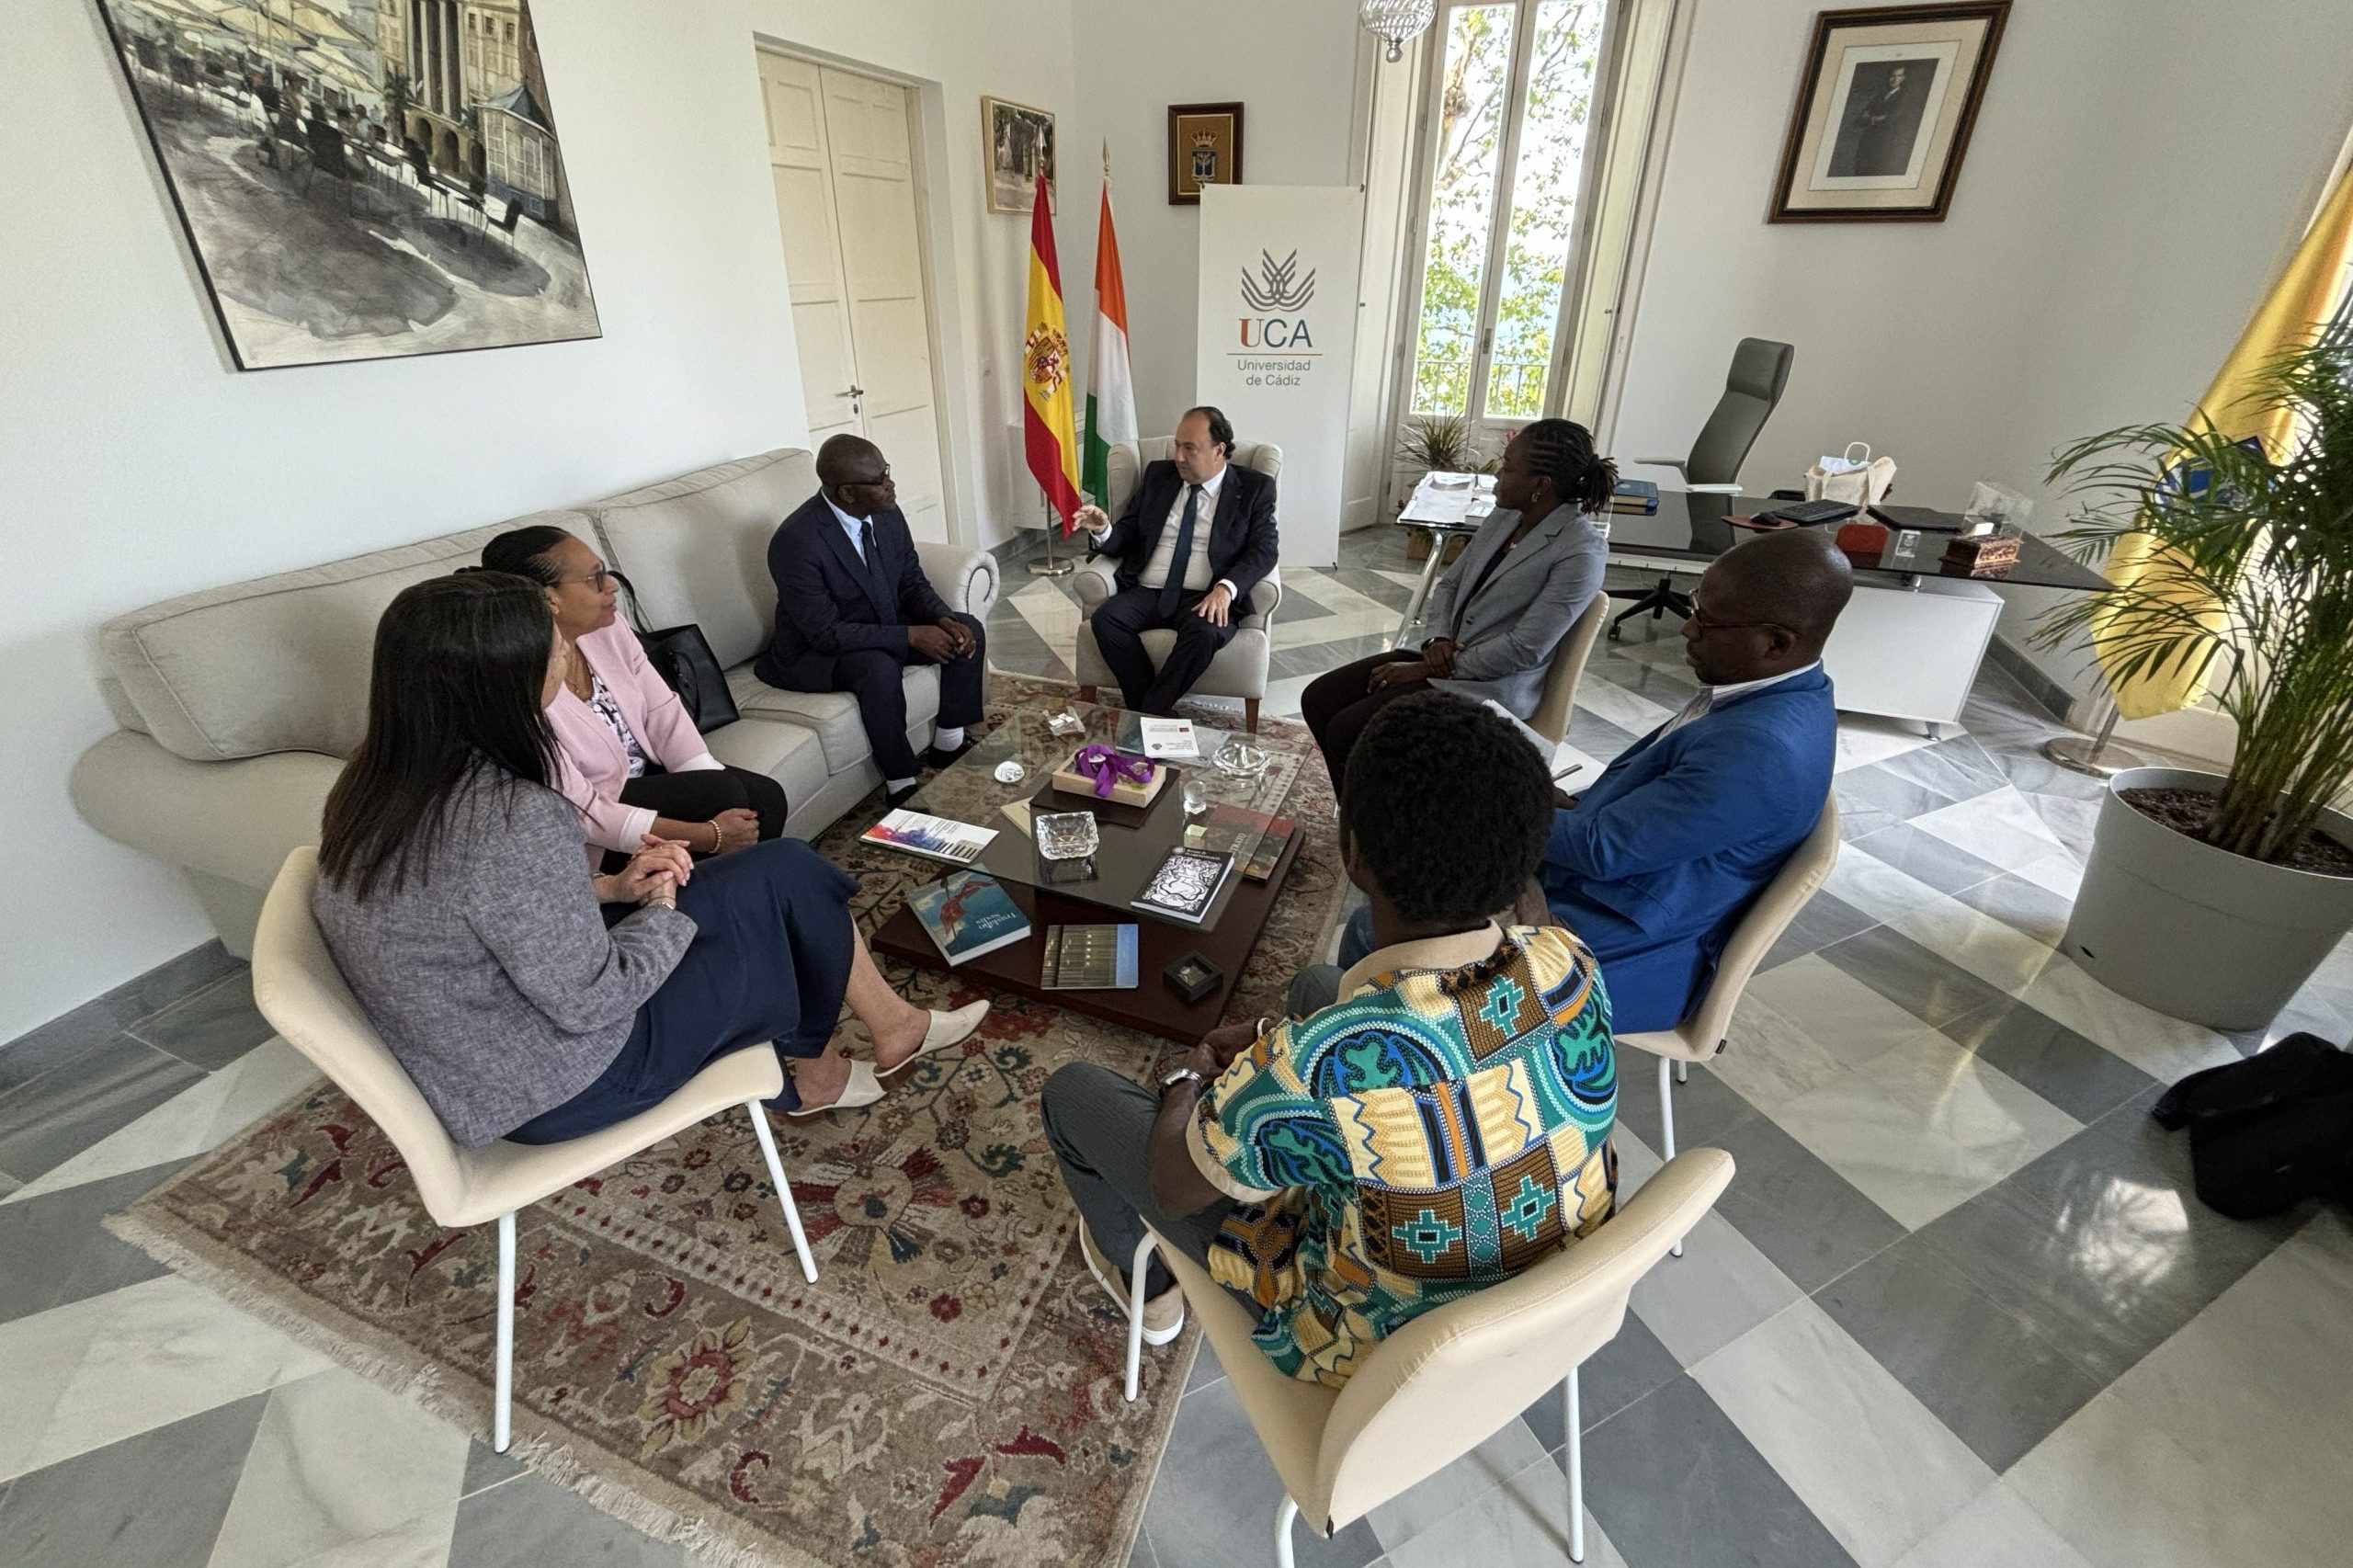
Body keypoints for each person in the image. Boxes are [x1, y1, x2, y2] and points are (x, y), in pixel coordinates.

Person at [1040, 692, 1618, 1385]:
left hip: (1370, 1354)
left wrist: (1187, 1080)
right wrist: (1278, 1047)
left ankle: (1151, 1286)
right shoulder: (1569, 959)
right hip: (1540, 1305)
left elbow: (1173, 1185)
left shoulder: (1315, 1066)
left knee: (1073, 1094)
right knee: (1321, 982)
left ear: (1355, 854)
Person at [313, 572, 990, 1147]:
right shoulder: (512, 815)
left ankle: (885, 1032)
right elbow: (593, 1000)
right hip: (566, 1080)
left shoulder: (373, 780)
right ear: (504, 684)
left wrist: (610, 889)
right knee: (773, 919)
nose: (566, 661)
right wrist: (662, 904)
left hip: (488, 1051)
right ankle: (819, 1071)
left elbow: (477, 916)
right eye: (554, 655)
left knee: (786, 868)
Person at [1315, 528, 1852, 1035]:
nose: (1688, 629)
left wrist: (1507, 801)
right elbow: (1641, 818)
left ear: (1776, 643)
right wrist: (1549, 800)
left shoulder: (1761, 749)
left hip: (1621, 945)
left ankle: (1369, 1058)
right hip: (1618, 891)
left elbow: (1602, 851)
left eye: (1707, 624)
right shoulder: (1769, 692)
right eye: (1694, 608)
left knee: (1378, 926)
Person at [1301, 419, 1613, 793]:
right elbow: (1449, 585)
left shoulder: (1581, 549)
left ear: (1540, 485)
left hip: (1491, 688)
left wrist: (1425, 671)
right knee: (1319, 698)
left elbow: (1524, 649)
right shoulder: (1504, 518)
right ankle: (1359, 812)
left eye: (1509, 467)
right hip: (1441, 659)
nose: (1498, 474)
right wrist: (1436, 641)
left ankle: (1374, 824)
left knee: (1349, 729)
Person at [479, 527, 787, 869]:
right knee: (721, 797)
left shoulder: (606, 628)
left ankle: (739, 894)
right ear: (548, 599)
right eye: (594, 579)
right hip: (596, 804)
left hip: (644, 770)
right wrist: (710, 834)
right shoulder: (515, 678)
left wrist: (705, 774)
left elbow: (661, 708)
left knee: (763, 798)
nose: (611, 586)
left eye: (606, 573)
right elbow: (578, 807)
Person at [755, 436, 986, 807]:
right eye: (880, 481)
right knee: (877, 667)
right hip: (819, 652)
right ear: (847, 492)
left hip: (882, 622)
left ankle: (949, 743)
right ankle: (901, 781)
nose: (890, 485)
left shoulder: (887, 514)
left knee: (966, 627)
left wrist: (942, 618)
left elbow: (911, 581)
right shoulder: (796, 541)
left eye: (887, 473)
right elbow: (825, 632)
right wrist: (909, 636)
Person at [1069, 406, 1279, 716]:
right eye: (1178, 446)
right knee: (1106, 620)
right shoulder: (1158, 476)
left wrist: (1225, 589)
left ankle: (1145, 712)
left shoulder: (1253, 488)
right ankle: (1156, 712)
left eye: (1189, 448)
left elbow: (1265, 549)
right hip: (1148, 589)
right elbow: (1126, 535)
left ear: (1219, 450)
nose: (1178, 456)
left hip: (1206, 595)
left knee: (1207, 633)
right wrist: (1104, 529)